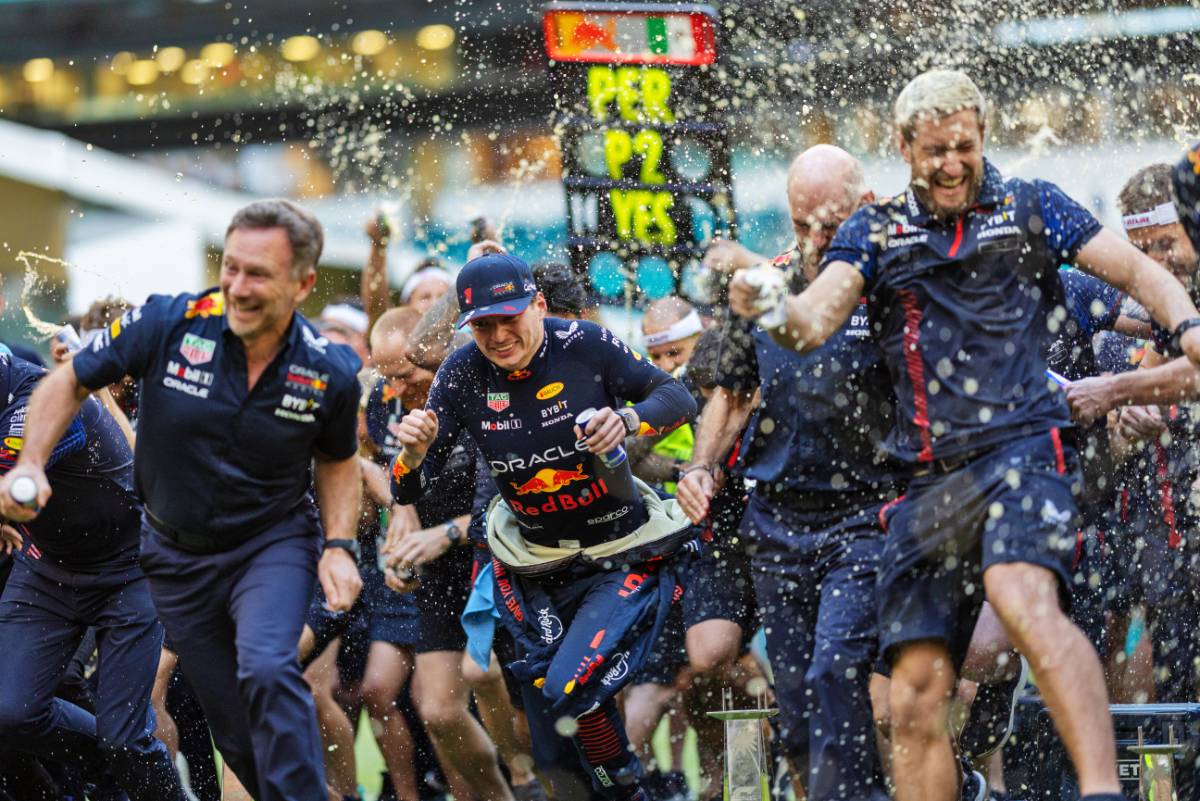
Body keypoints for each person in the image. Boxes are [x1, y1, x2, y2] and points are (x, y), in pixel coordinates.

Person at [731, 70, 1200, 801]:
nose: (952, 164)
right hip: (927, 478)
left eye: (965, 146)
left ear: (984, 134)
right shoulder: (876, 229)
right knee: (914, 691)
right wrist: (761, 297)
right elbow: (810, 323)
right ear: (903, 145)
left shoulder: (1032, 203)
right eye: (935, 151)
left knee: (1023, 600)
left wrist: (1189, 325)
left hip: (1022, 450)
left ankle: (1103, 790)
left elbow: (1140, 272)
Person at [0, 199, 365, 801]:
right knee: (235, 731)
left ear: (303, 282)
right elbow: (66, 381)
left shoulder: (329, 370)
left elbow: (338, 460)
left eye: (259, 275)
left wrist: (340, 546)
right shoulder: (168, 323)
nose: (239, 288)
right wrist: (33, 461)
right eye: (232, 269)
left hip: (268, 548)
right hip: (173, 557)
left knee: (268, 670)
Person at [389, 252, 697, 801]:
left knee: (569, 686)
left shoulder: (584, 344)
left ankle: (629, 786)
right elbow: (408, 487)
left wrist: (625, 420)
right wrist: (412, 456)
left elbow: (677, 397)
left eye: (511, 317)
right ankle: (623, 789)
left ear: (538, 305)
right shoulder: (461, 375)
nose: (500, 336)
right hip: (535, 563)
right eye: (483, 325)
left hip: (620, 553)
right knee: (557, 716)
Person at [681, 144, 895, 801]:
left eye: (828, 227)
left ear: (866, 209)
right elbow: (733, 390)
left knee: (838, 674)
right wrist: (701, 466)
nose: (814, 241)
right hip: (775, 521)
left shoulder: (889, 285)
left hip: (864, 515)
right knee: (798, 713)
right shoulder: (765, 283)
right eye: (802, 225)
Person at [0, 349, 184, 801]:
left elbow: (16, 474)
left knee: (126, 738)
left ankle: (130, 768)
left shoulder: (43, 393)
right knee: (9, 713)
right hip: (47, 568)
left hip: (130, 571)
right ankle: (111, 767)